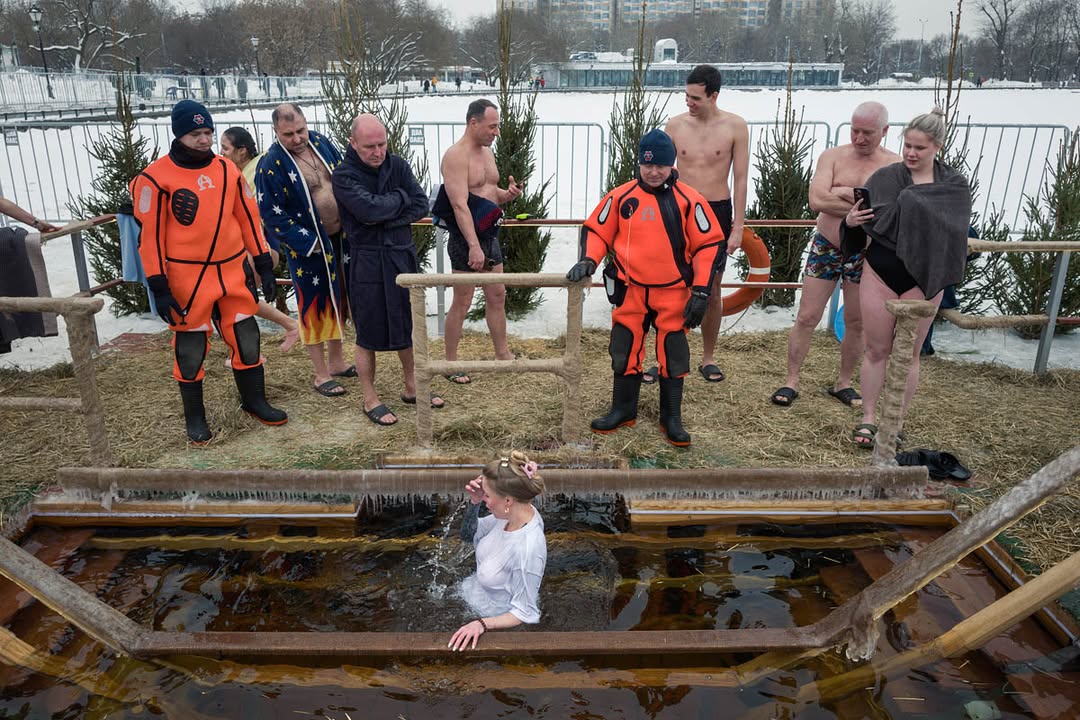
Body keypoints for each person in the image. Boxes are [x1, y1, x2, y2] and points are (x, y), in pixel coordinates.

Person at [129, 100, 287, 443]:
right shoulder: (154, 179)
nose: (204, 140)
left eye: (208, 132)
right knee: (190, 346)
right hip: (187, 277)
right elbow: (150, 238)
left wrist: (263, 263)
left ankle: (254, 400)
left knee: (246, 335)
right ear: (179, 135)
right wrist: (158, 285)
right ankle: (195, 417)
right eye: (195, 134)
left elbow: (248, 218)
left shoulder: (227, 170)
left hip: (231, 270)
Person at [566, 129, 724, 447]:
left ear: (671, 164)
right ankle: (623, 410)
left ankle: (671, 418)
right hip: (631, 289)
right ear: (639, 164)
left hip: (673, 292)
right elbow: (597, 230)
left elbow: (709, 245)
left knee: (673, 352)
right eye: (647, 165)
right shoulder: (621, 197)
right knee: (623, 348)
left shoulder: (689, 200)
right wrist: (589, 260)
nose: (653, 172)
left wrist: (701, 292)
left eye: (660, 166)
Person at [843, 108, 972, 448]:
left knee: (910, 353)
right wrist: (851, 222)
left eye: (920, 148)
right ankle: (868, 417)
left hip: (925, 276)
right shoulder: (885, 178)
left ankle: (895, 422)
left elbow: (955, 233)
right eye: (908, 146)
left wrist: (913, 202)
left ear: (937, 147)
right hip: (880, 270)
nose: (911, 154)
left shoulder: (953, 185)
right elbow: (864, 224)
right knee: (876, 349)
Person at [771, 102, 900, 408]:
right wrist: (860, 200)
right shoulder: (832, 156)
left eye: (867, 133)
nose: (859, 138)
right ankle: (791, 380)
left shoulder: (894, 166)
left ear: (884, 131)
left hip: (866, 252)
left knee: (856, 321)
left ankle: (843, 382)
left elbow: (889, 211)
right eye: (855, 131)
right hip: (827, 246)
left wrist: (842, 192)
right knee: (807, 316)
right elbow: (817, 200)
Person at [332, 113, 446, 426]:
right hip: (367, 261)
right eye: (370, 146)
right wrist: (399, 199)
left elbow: (421, 204)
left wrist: (384, 214)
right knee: (367, 333)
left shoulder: (398, 166)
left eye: (382, 144)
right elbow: (367, 210)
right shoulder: (343, 175)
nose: (378, 151)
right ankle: (370, 397)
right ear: (353, 143)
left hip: (400, 256)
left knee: (407, 325)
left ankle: (413, 387)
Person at [255, 103, 354, 398]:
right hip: (308, 247)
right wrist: (308, 242)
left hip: (341, 239)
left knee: (339, 300)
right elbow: (271, 215)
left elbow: (345, 178)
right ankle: (321, 374)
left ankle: (337, 362)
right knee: (314, 305)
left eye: (301, 130)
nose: (298, 138)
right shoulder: (270, 165)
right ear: (276, 131)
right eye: (289, 134)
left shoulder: (321, 143)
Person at [660, 64, 748, 385]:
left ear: (714, 95)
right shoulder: (675, 125)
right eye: (686, 96)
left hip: (716, 211)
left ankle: (708, 357)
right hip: (680, 209)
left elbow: (741, 179)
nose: (689, 102)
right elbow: (660, 174)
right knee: (672, 286)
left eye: (696, 98)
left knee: (712, 289)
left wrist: (738, 226)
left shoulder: (735, 126)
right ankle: (668, 355)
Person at [439, 98, 524, 384]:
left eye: (497, 126)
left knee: (497, 294)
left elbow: (489, 192)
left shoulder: (487, 152)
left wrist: (507, 194)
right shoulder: (455, 156)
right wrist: (473, 246)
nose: (496, 132)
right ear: (473, 123)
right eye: (492, 126)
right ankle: (451, 362)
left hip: (489, 235)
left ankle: (502, 354)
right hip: (465, 239)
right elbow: (459, 204)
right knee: (462, 300)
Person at [449, 450, 547, 651]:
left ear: (508, 501)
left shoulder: (528, 549)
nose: (484, 499)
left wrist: (482, 624)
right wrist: (475, 502)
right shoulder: (511, 515)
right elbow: (468, 535)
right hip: (469, 595)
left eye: (487, 495)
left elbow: (525, 613)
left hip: (496, 620)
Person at [220, 126, 300, 354]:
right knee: (239, 297)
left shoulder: (255, 174)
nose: (221, 152)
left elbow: (251, 213)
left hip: (258, 245)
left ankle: (246, 352)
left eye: (225, 148)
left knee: (238, 297)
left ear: (242, 150)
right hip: (258, 244)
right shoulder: (243, 173)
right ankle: (288, 327)